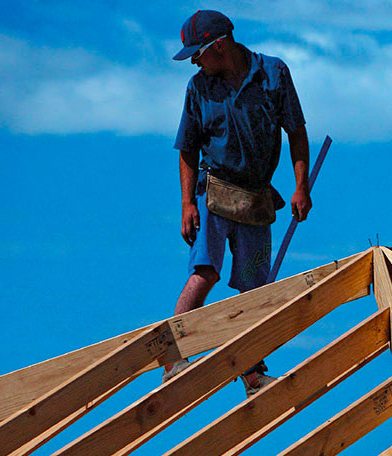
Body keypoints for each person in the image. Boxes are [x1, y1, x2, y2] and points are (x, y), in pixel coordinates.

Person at [162, 10, 311, 396]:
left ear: (220, 45)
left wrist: (300, 187)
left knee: (255, 291)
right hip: (214, 191)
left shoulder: (273, 75)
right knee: (205, 271)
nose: (195, 61)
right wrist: (186, 205)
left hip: (257, 196)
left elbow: (296, 132)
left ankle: (252, 374)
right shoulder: (199, 89)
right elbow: (188, 150)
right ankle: (174, 358)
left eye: (199, 53)